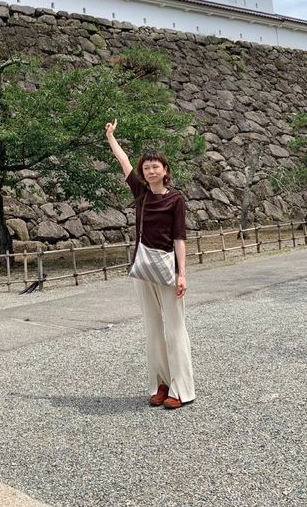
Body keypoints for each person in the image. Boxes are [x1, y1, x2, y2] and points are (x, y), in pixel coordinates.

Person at [105, 119, 195, 410]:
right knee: (153, 328)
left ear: (165, 171)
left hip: (168, 268)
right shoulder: (141, 194)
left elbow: (180, 238)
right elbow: (123, 160)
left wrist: (183, 274)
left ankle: (182, 389)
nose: (150, 170)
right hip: (143, 269)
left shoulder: (176, 200)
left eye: (156, 166)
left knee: (175, 328)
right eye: (147, 167)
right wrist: (110, 136)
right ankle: (161, 383)